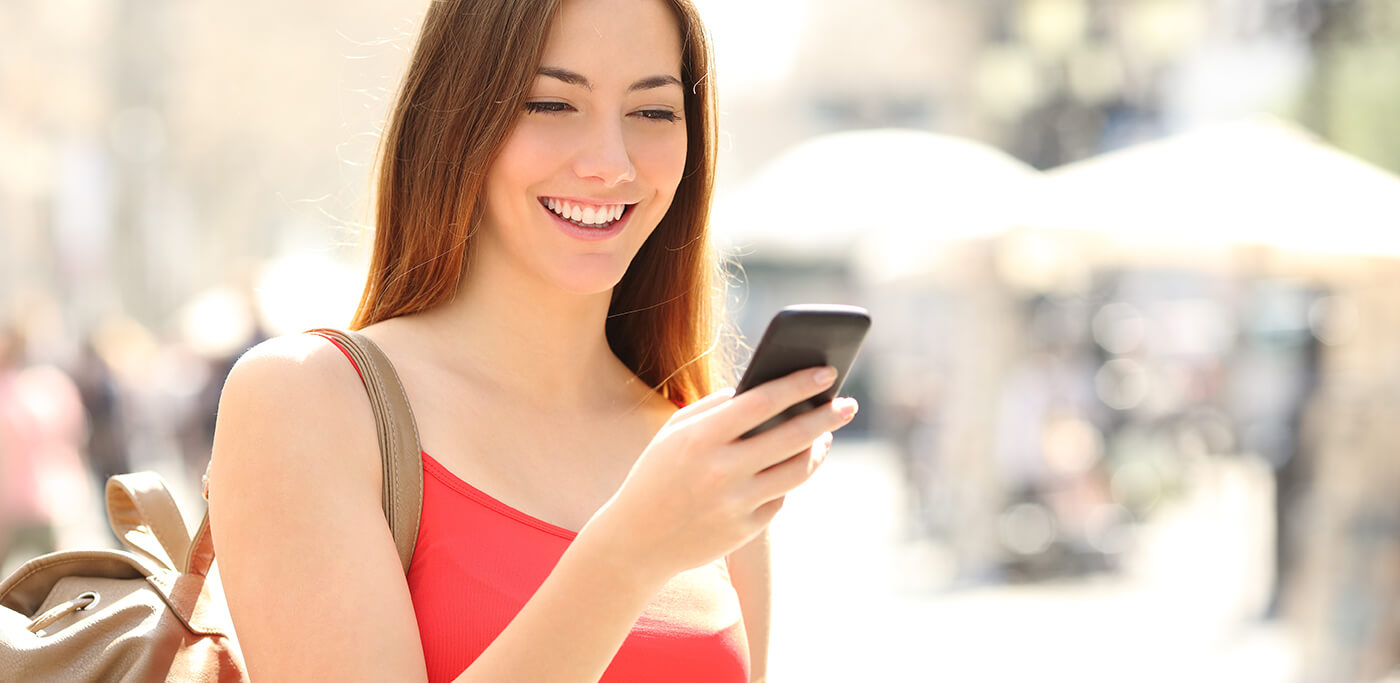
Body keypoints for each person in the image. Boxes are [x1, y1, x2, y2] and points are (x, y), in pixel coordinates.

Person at [206, 0, 859, 681]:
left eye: (654, 112)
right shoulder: (308, 401)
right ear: (457, 116)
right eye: (552, 104)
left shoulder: (698, 458)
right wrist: (627, 555)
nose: (611, 164)